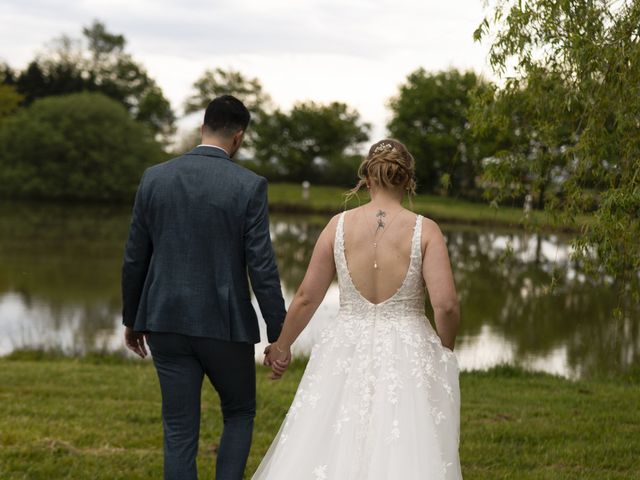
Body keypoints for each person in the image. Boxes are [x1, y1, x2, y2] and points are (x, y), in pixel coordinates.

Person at [258, 139, 462, 479]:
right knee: (405, 440)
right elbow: (446, 305)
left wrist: (282, 346)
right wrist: (444, 350)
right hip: (408, 348)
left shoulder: (337, 226)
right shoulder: (426, 230)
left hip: (345, 344)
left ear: (367, 178)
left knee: (331, 436)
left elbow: (307, 295)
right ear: (408, 180)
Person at [121, 95, 287, 480]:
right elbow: (261, 266)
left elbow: (134, 258)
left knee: (178, 427)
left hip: (164, 319)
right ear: (239, 136)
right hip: (224, 326)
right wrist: (278, 334)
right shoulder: (249, 186)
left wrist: (133, 317)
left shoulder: (155, 177)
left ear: (202, 127)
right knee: (239, 411)